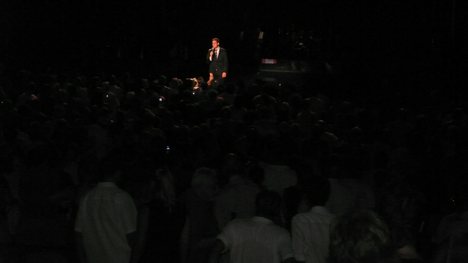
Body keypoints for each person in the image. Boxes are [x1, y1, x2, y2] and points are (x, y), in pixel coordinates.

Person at [74, 152, 139, 263]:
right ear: (118, 173)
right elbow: (131, 235)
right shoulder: (121, 197)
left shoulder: (87, 197)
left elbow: (79, 234)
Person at [208, 190, 295, 263]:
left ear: (256, 205)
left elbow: (215, 250)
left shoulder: (235, 225)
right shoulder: (281, 234)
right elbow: (288, 259)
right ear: (277, 209)